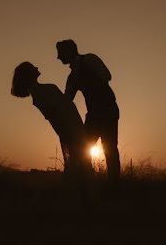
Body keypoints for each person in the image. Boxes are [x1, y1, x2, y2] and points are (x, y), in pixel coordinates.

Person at [11, 62, 93, 183]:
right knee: (81, 165)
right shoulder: (39, 93)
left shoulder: (41, 90)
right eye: (33, 67)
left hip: (73, 127)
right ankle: (84, 197)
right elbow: (56, 114)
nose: (37, 67)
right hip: (70, 129)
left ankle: (83, 195)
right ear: (28, 74)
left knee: (81, 164)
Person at [56, 39, 120, 183]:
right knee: (83, 149)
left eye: (60, 53)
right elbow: (67, 100)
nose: (58, 57)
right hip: (93, 115)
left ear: (69, 51)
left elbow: (107, 76)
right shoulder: (72, 77)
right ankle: (87, 182)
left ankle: (115, 186)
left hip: (108, 110)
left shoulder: (90, 59)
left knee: (110, 149)